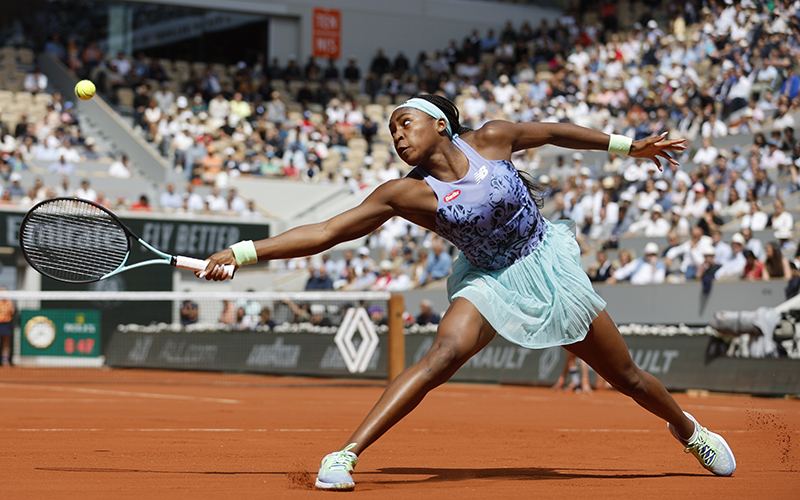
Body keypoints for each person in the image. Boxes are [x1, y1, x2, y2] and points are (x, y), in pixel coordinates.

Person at [198, 94, 735, 489]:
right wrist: (242, 253)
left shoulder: (493, 139)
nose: (398, 137)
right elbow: (325, 233)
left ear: (439, 123)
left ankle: (688, 429)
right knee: (441, 354)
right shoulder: (404, 193)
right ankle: (345, 455)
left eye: (404, 124)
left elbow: (553, 131)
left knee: (628, 378)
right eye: (392, 133)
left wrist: (630, 147)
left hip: (546, 264)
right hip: (488, 279)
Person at [0, 288, 14, 366]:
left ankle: (5, 360)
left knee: (6, 343)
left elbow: (12, 311)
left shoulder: (9, 302)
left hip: (6, 323)